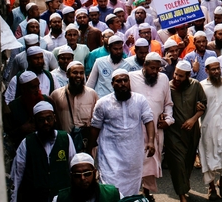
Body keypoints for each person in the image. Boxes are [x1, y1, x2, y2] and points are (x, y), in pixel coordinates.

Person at [90, 69, 156, 197]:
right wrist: (89, 150)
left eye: (125, 80)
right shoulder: (102, 103)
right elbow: (95, 127)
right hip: (110, 154)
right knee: (110, 188)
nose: (123, 83)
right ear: (112, 84)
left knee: (132, 189)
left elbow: (148, 120)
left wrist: (151, 141)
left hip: (133, 155)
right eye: (119, 81)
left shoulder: (140, 100)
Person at [129, 52, 174, 200]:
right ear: (144, 65)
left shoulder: (163, 79)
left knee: (151, 162)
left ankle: (147, 194)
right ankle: (133, 194)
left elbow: (168, 104)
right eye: (152, 68)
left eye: (157, 69)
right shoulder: (131, 77)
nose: (155, 72)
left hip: (156, 129)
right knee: (135, 162)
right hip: (135, 128)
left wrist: (168, 120)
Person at [10, 101, 76, 202]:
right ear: (35, 121)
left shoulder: (65, 138)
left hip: (61, 197)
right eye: (41, 120)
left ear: (54, 118)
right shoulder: (27, 143)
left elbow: (73, 168)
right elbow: (17, 174)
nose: (46, 123)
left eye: (48, 118)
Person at [165, 60, 207, 202]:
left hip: (192, 132)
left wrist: (194, 119)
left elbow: (203, 105)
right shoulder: (168, 87)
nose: (177, 78)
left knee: (188, 162)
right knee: (177, 163)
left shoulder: (196, 86)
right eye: (176, 74)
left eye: (181, 76)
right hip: (173, 133)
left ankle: (184, 185)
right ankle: (182, 195)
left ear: (188, 75)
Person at [199, 57, 222, 200]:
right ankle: (211, 187)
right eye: (213, 69)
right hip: (207, 128)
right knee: (208, 159)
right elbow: (198, 105)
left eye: (218, 68)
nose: (217, 71)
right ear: (206, 71)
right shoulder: (200, 86)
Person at [50, 60, 99, 152]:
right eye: (75, 73)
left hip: (86, 144)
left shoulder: (92, 94)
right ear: (67, 75)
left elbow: (97, 121)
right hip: (64, 144)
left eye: (81, 73)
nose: (78, 76)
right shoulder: (56, 95)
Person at [53, 153, 121, 202]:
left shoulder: (112, 194)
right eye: (77, 175)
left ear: (94, 173)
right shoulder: (60, 199)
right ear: (71, 176)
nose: (82, 178)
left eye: (87, 174)